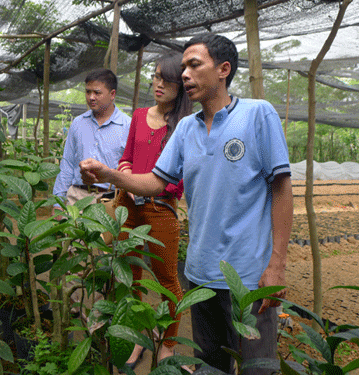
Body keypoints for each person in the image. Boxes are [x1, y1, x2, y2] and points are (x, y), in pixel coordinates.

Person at [79, 33, 293, 375]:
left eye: (194, 65)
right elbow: (156, 182)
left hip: (250, 278)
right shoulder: (185, 130)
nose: (185, 75)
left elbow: (282, 189)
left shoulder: (258, 115)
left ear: (223, 69)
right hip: (200, 275)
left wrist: (277, 265)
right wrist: (110, 174)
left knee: (257, 368)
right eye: (183, 68)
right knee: (212, 365)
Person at [116, 53, 192, 370]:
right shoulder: (138, 116)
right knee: (129, 274)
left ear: (181, 86)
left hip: (160, 210)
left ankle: (167, 344)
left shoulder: (186, 126)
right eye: (156, 76)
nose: (159, 84)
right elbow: (126, 158)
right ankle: (137, 337)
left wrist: (144, 185)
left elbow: (178, 182)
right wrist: (127, 176)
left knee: (167, 281)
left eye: (167, 79)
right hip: (127, 206)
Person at [52, 68, 131, 209]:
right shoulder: (78, 123)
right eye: (88, 92)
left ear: (112, 94)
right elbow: (67, 165)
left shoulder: (128, 126)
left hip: (111, 200)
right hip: (77, 197)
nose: (91, 97)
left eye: (97, 92)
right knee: (72, 231)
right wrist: (57, 203)